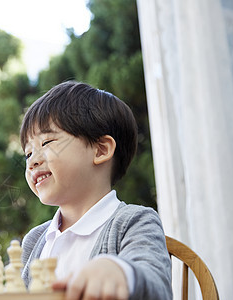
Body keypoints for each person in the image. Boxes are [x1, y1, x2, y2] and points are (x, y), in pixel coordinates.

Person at [19, 81, 172, 300]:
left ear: (100, 150)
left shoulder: (135, 221)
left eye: (46, 143)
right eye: (27, 153)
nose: (32, 161)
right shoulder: (35, 239)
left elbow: (157, 285)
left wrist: (120, 271)